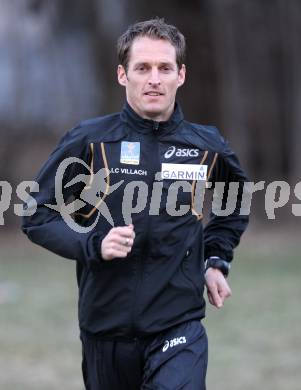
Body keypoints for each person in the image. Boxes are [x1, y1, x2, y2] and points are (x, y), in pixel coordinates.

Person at [22, 18, 249, 390]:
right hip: (105, 329)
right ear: (122, 75)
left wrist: (214, 259)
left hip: (179, 324)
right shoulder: (90, 141)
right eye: (142, 68)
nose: (154, 79)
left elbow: (234, 204)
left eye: (165, 68)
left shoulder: (206, 146)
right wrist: (95, 244)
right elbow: (36, 216)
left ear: (182, 75)